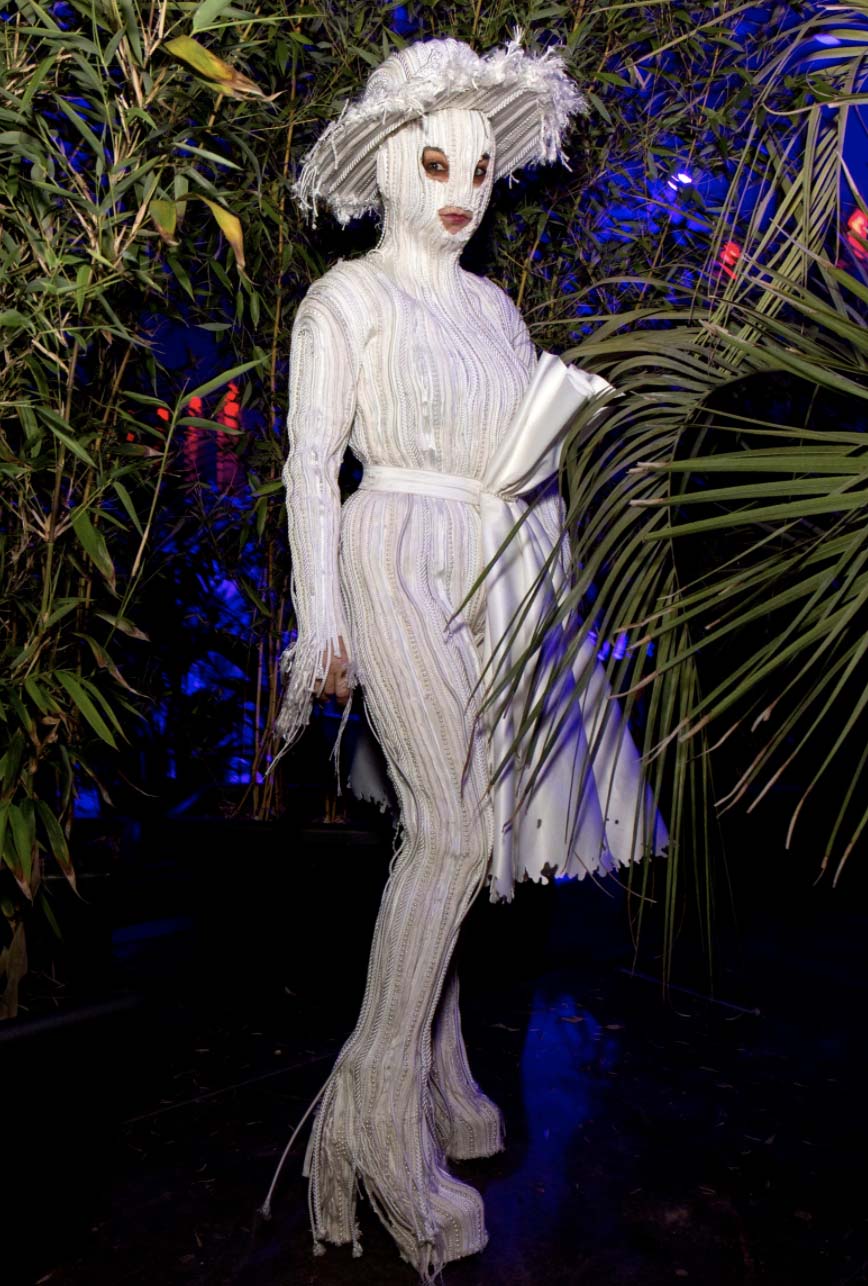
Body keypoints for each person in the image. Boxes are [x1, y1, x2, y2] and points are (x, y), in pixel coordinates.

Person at [260, 35, 668, 1281]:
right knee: (446, 828)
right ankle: (372, 1116)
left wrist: (538, 568)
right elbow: (308, 466)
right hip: (389, 551)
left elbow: (519, 457)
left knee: (454, 827)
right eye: (436, 165)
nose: (460, 193)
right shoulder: (342, 301)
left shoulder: (492, 307)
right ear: (393, 162)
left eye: (480, 172)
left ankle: (438, 1074)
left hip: (491, 569)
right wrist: (322, 620)